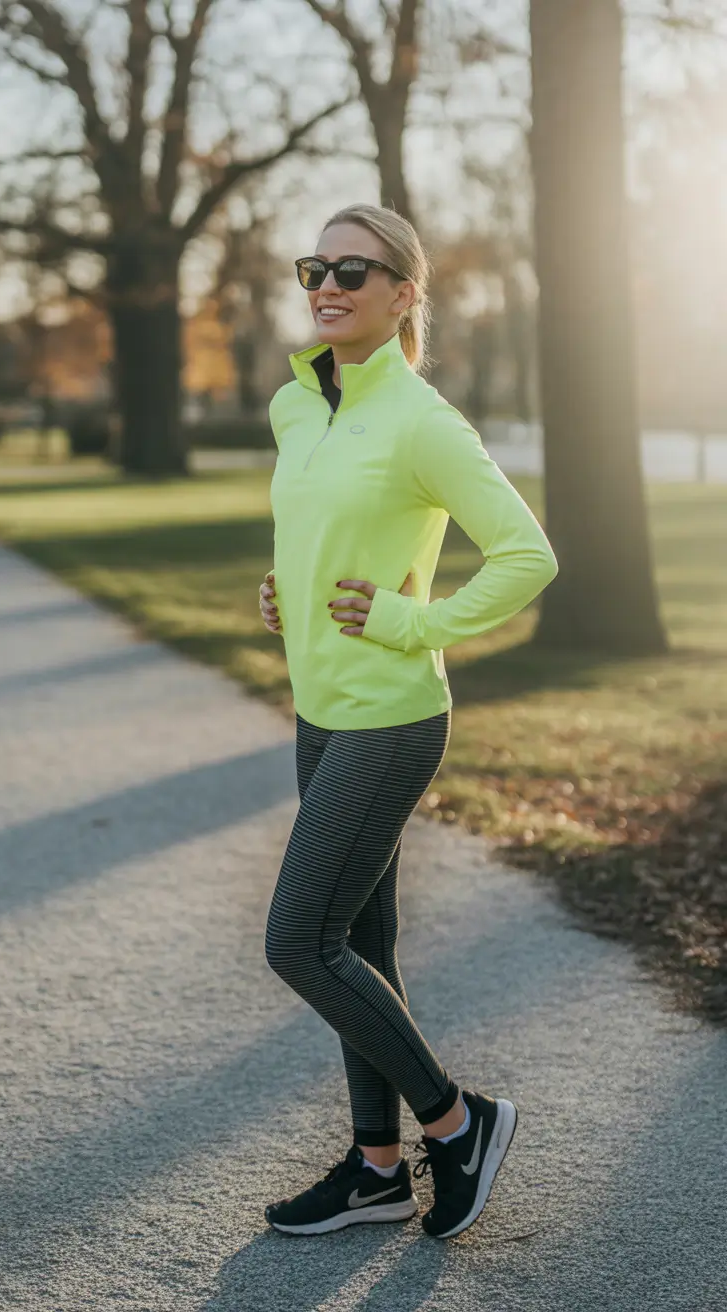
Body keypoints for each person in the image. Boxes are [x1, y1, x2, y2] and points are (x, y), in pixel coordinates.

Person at [258, 202, 558, 1239]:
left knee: (298, 939)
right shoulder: (294, 408)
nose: (327, 283)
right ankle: (378, 1168)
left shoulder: (425, 420)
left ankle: (456, 1119)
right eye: (316, 265)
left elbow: (528, 554)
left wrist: (414, 619)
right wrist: (283, 590)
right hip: (319, 715)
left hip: (391, 717)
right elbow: (322, 532)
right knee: (361, 943)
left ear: (403, 292)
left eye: (354, 266)